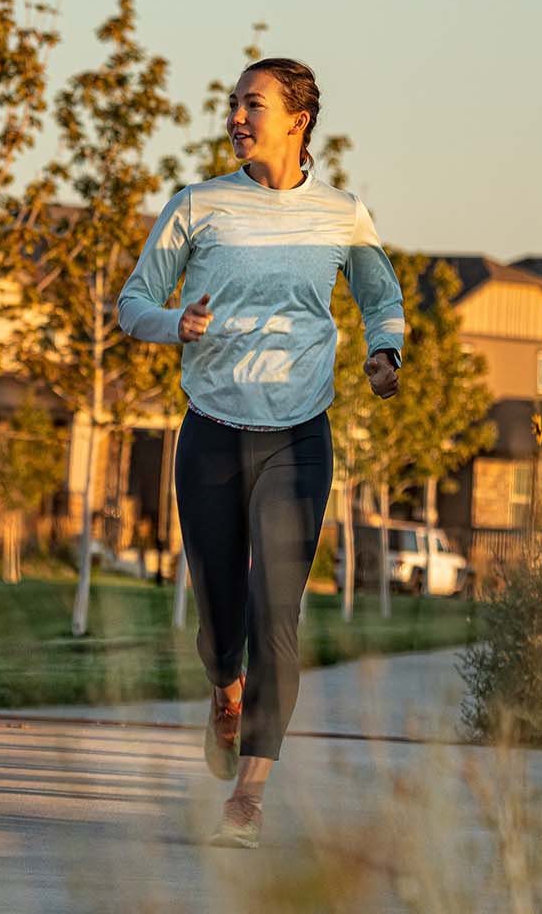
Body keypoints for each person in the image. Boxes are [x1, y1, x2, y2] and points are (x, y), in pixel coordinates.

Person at [116, 57, 404, 848]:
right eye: (234, 103)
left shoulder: (343, 214)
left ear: (297, 119)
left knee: (279, 612)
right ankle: (223, 687)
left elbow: (381, 297)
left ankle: (248, 795)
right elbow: (132, 301)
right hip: (211, 428)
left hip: (299, 436)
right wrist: (173, 323)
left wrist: (386, 351)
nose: (236, 115)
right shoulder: (199, 206)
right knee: (221, 616)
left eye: (253, 104)